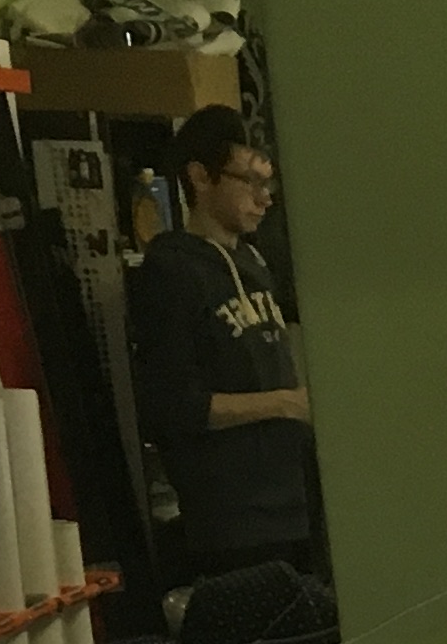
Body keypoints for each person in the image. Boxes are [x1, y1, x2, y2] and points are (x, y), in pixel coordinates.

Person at [130, 107, 320, 580]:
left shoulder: (254, 261)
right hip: (233, 520)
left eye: (267, 183)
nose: (263, 198)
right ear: (200, 176)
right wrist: (286, 403)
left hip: (294, 503)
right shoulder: (171, 271)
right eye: (248, 181)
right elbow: (174, 406)